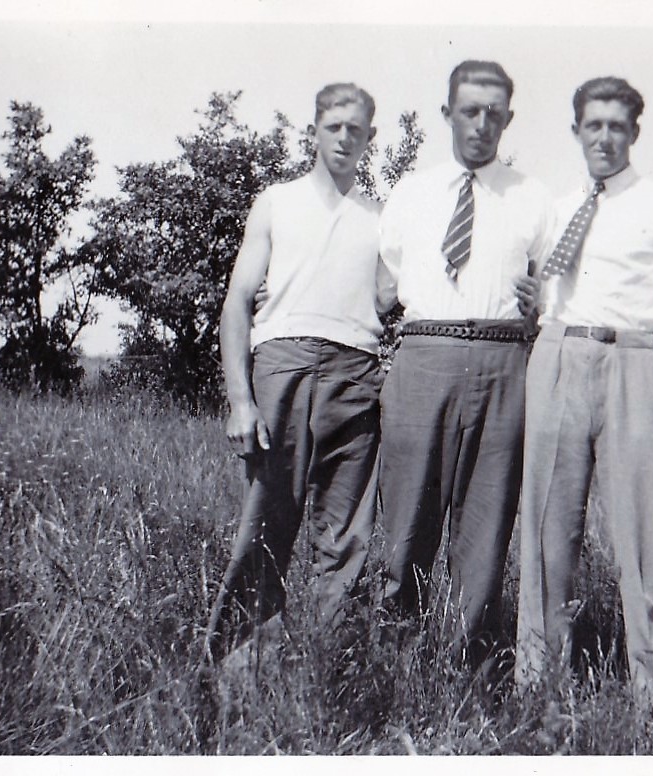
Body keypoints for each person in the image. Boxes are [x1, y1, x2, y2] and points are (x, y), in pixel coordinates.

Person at [514, 77, 653, 717]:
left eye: (616, 126)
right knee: (546, 537)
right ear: (576, 130)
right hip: (556, 357)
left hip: (631, 363)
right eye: (593, 125)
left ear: (634, 132)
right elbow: (535, 302)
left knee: (642, 543)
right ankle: (540, 695)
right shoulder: (554, 208)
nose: (604, 137)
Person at [376, 60, 554, 667]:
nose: (482, 123)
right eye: (470, 111)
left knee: (484, 535)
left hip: (505, 364)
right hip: (423, 357)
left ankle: (465, 673)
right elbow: (380, 288)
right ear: (447, 113)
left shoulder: (534, 198)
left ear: (509, 118)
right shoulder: (410, 193)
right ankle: (396, 665)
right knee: (406, 526)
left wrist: (543, 304)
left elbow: (555, 293)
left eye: (494, 113)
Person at [206, 83, 385, 664]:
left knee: (346, 538)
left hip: (355, 374)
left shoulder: (381, 218)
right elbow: (237, 303)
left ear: (370, 138)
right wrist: (240, 400)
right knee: (266, 523)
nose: (344, 138)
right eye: (333, 127)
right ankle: (238, 671)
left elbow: (397, 295)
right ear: (313, 132)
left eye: (355, 129)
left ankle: (324, 671)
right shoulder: (276, 201)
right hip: (282, 366)